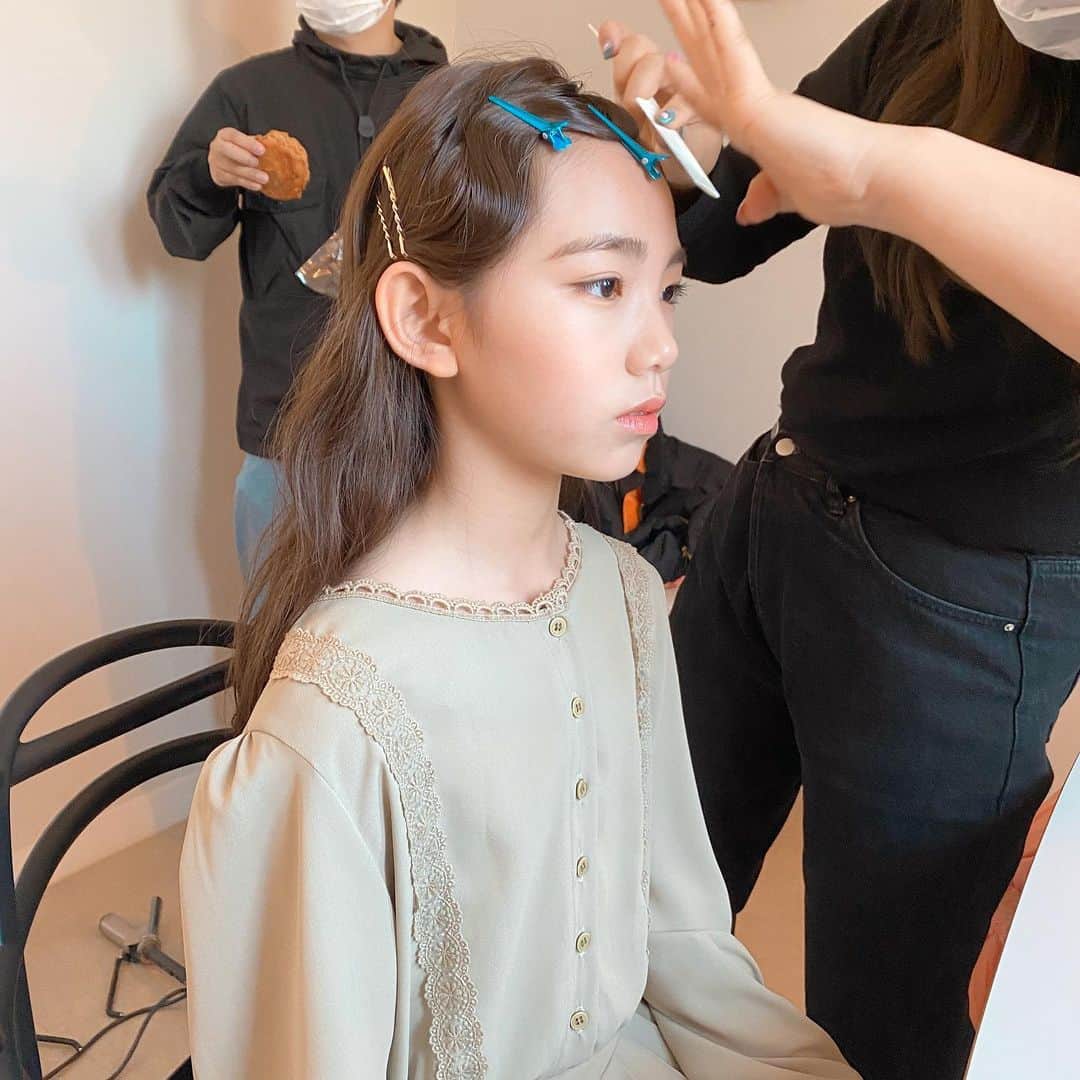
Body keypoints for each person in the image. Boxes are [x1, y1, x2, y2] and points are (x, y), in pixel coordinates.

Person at [178, 57, 860, 1079]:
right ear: (425, 319)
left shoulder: (624, 593)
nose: (660, 345)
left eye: (666, 289)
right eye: (603, 285)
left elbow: (683, 945)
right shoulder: (334, 716)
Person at [598, 1, 1080, 1077]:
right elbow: (726, 222)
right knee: (633, 911)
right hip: (778, 507)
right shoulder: (938, 21)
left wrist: (873, 171)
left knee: (886, 1030)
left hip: (958, 612)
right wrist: (683, 138)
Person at [147, 1, 446, 580]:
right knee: (280, 630)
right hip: (286, 445)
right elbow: (178, 234)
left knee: (413, 627)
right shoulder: (247, 93)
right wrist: (210, 173)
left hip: (421, 439)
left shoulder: (448, 97)